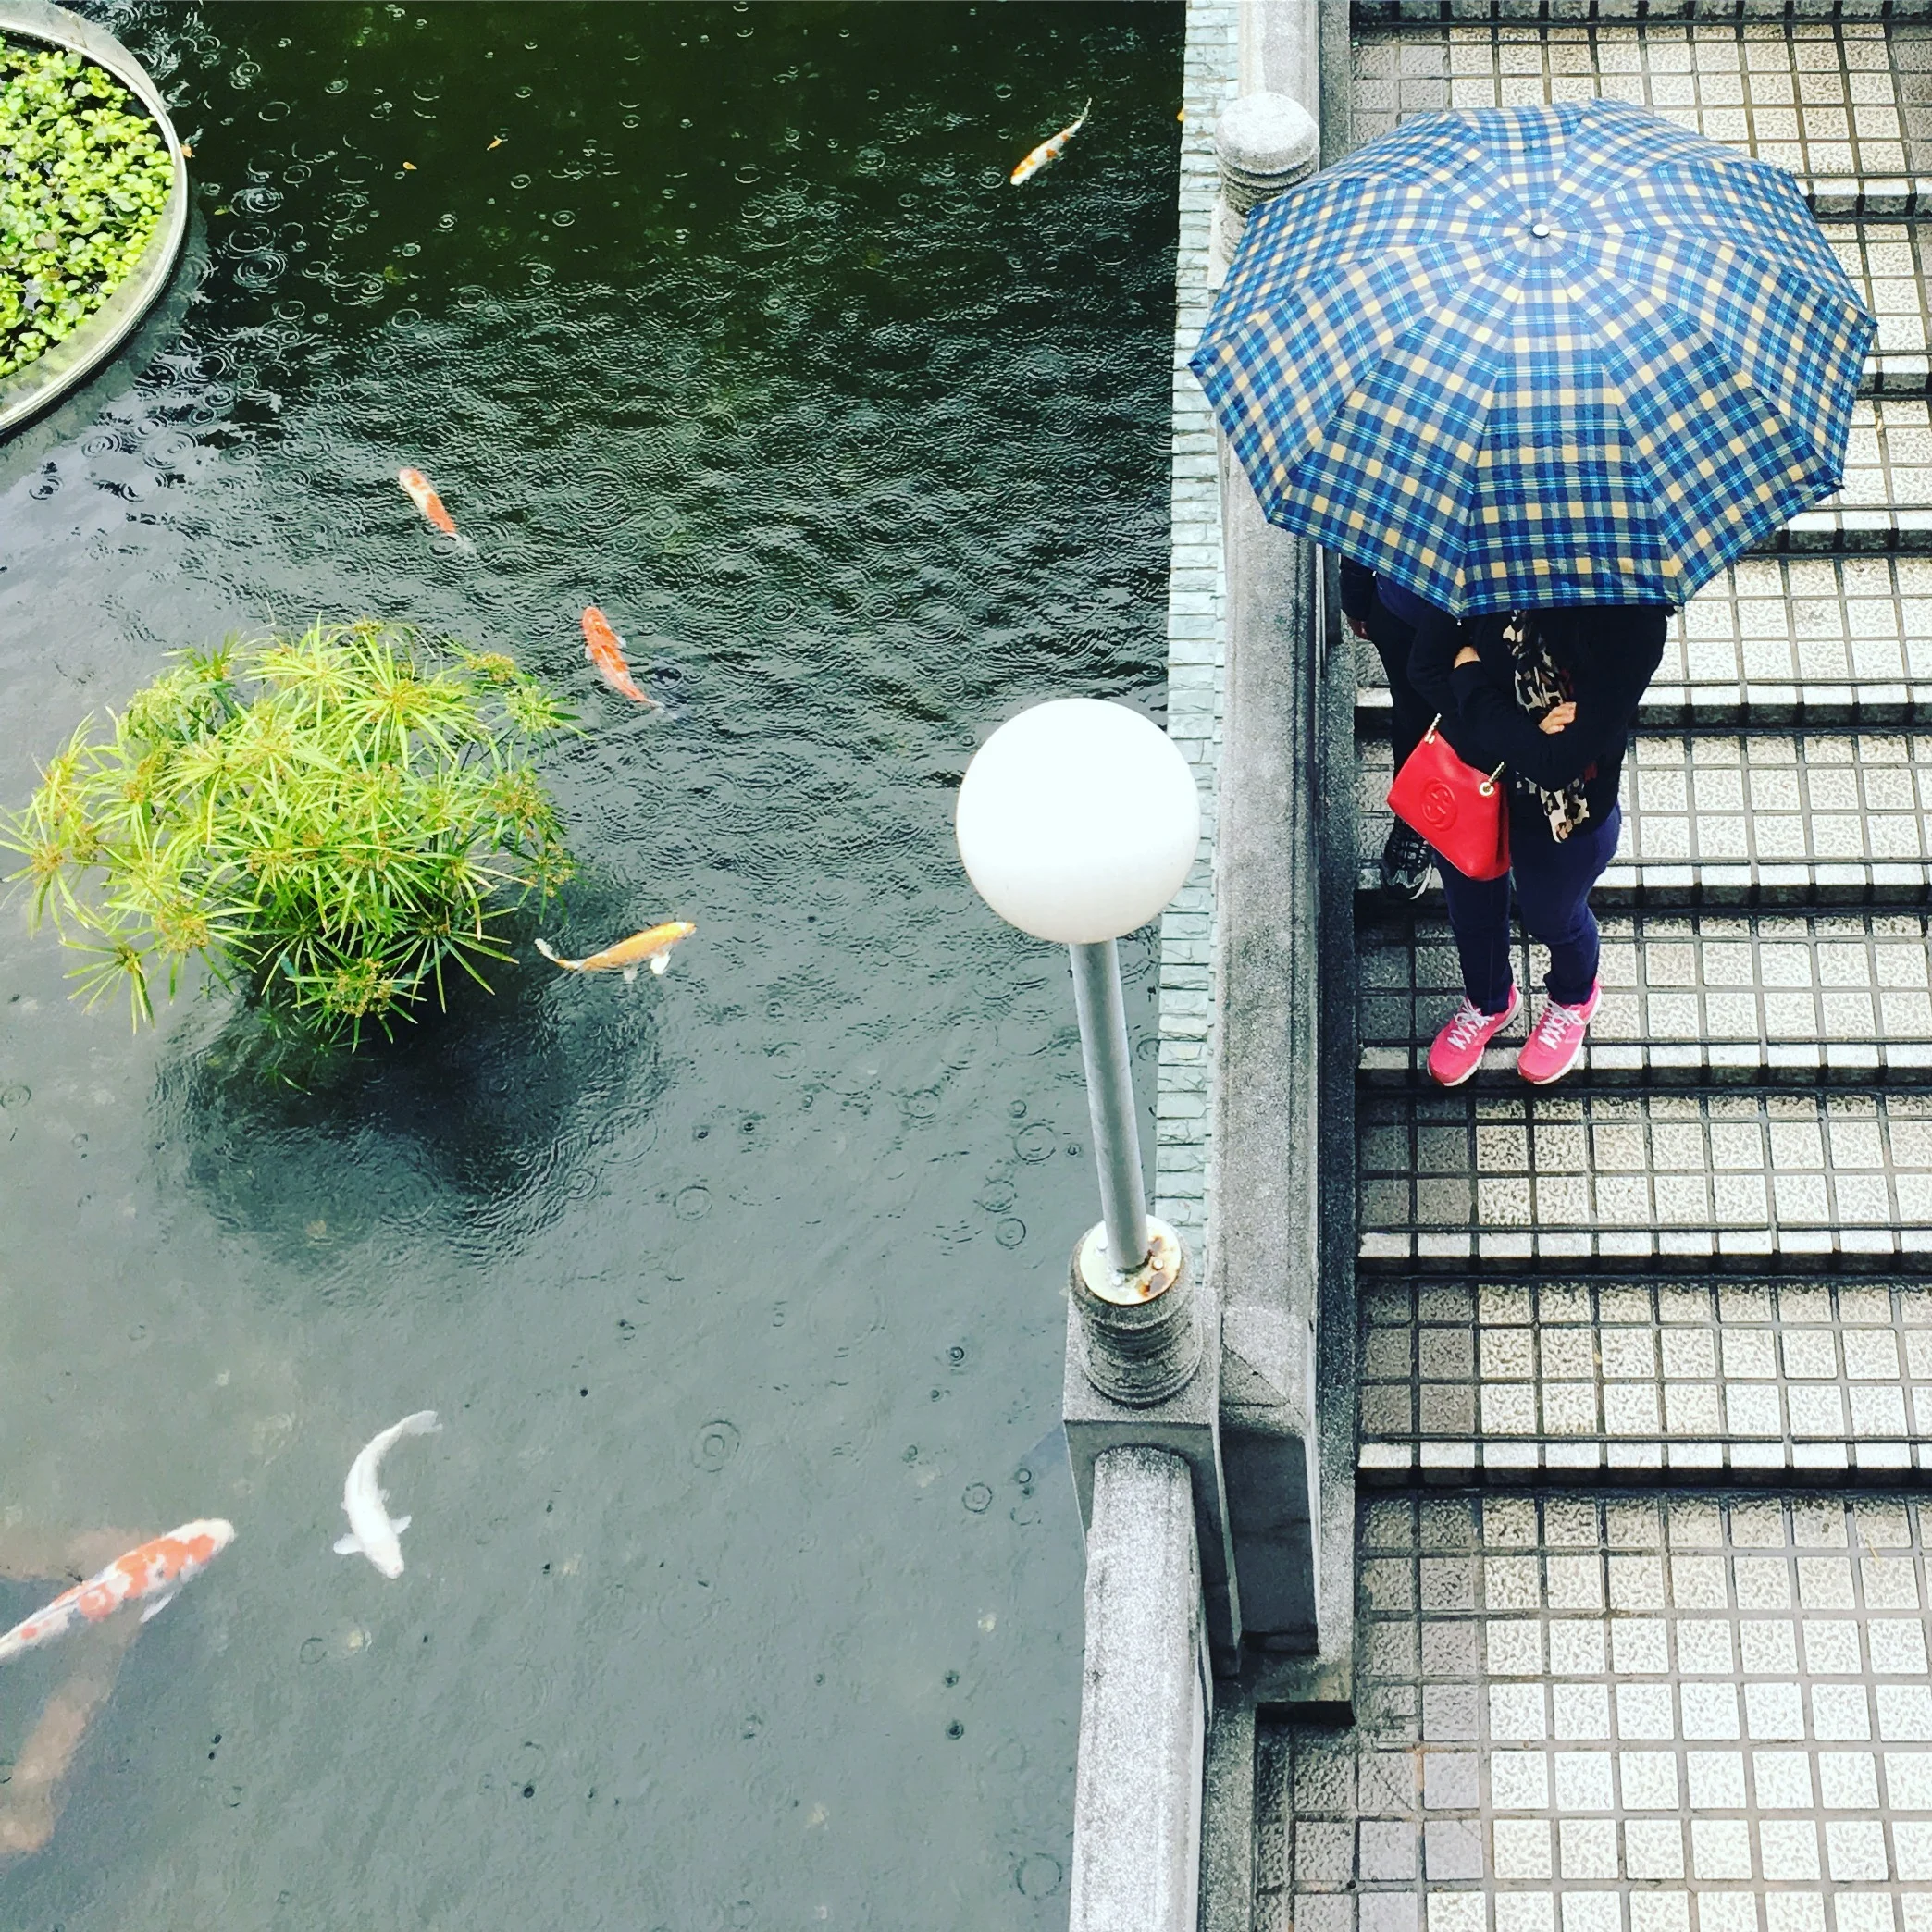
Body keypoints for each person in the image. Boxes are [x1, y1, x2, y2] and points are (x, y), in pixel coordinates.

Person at [1406, 600, 1667, 1087]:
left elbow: (1558, 763)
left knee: (1555, 915)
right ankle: (1488, 1000)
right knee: (1471, 908)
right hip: (1471, 781)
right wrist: (1520, 733)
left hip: (1566, 808)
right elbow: (1425, 668)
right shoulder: (1486, 560)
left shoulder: (1632, 622)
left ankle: (1574, 996)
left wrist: (1472, 680)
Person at [1340, 558, 1433, 900]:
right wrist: (1356, 596)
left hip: (1501, 612)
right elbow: (1366, 515)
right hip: (1406, 610)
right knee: (1413, 716)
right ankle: (1414, 816)